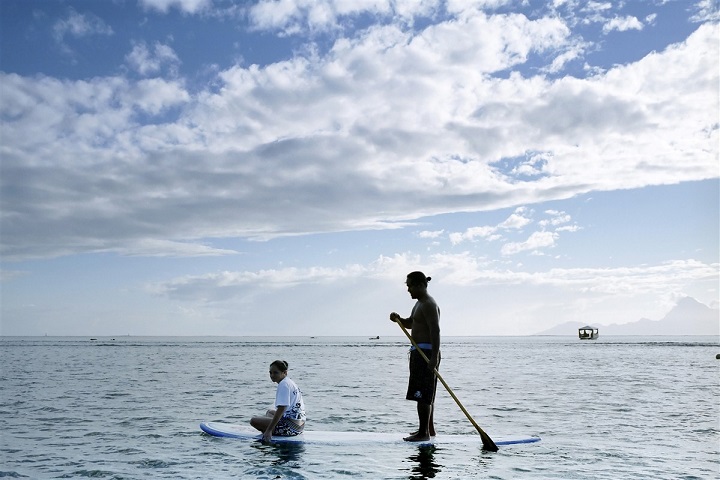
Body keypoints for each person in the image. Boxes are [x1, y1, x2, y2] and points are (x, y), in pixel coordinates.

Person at [389, 271, 441, 442]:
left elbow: (435, 330)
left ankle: (423, 433)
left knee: (423, 394)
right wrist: (398, 319)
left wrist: (433, 357)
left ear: (419, 285)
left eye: (410, 285)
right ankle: (429, 430)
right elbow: (412, 323)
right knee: (427, 393)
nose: (408, 289)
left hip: (426, 353)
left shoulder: (428, 304)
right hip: (420, 352)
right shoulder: (419, 304)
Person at [250, 360, 306, 442]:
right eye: (270, 373)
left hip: (292, 428)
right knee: (269, 412)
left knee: (253, 421)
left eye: (275, 373)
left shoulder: (283, 385)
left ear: (284, 372)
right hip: (300, 425)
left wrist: (269, 430)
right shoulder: (289, 382)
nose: (272, 375)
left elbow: (281, 409)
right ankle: (272, 429)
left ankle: (271, 432)